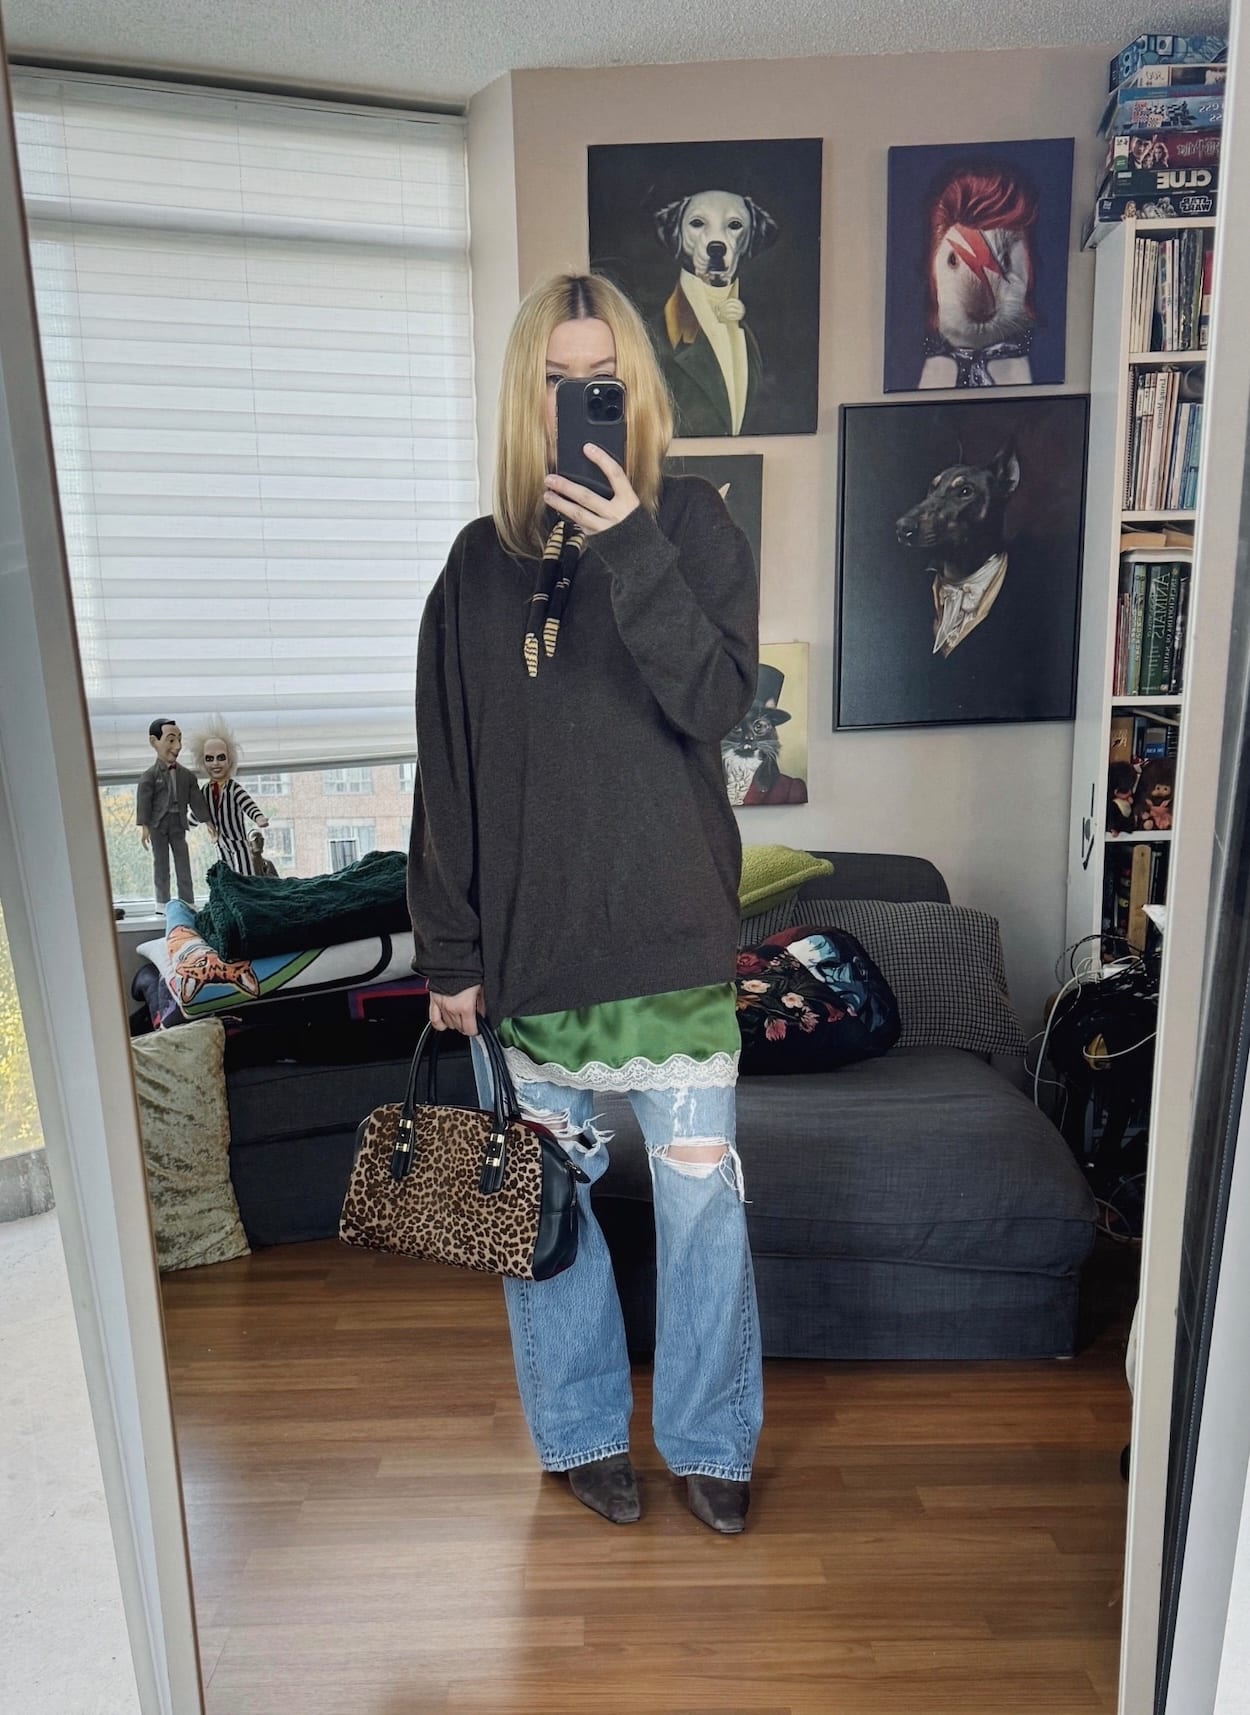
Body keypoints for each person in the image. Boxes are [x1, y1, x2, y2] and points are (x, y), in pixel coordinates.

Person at [407, 272, 762, 1534]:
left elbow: (718, 706)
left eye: (600, 380)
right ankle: (577, 1432)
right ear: (527, 396)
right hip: (531, 952)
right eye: (556, 382)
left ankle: (712, 1439)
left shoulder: (697, 526)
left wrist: (627, 544)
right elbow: (441, 774)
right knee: (541, 1213)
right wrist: (448, 949)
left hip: (669, 930)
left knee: (701, 1211)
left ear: (636, 391)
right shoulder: (473, 565)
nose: (579, 403)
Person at [135, 718, 212, 907]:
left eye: (179, 739)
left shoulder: (186, 776)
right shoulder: (149, 776)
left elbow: (196, 801)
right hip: (158, 824)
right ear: (154, 742)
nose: (177, 746)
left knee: (183, 863)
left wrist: (208, 822)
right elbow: (144, 801)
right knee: (161, 864)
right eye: (171, 740)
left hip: (178, 822)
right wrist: (144, 827)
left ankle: (187, 901)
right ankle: (162, 902)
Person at [189, 719, 269, 875]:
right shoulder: (205, 791)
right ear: (203, 762)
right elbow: (198, 814)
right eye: (209, 759)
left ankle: (246, 897)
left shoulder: (233, 788)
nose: (216, 763)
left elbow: (248, 805)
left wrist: (258, 817)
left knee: (245, 875)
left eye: (221, 757)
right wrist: (181, 825)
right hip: (219, 843)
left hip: (238, 844)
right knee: (226, 875)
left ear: (229, 760)